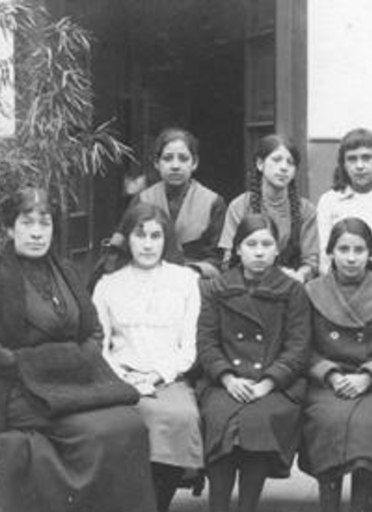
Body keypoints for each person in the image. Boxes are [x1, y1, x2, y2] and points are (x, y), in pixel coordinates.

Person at [0, 186, 154, 512]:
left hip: (76, 388)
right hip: (18, 392)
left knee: (131, 425)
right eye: (27, 223)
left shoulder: (67, 272)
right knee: (96, 434)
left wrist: (74, 363)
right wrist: (45, 365)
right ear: (10, 228)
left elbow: (94, 332)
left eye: (46, 223)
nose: (38, 233)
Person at [92, 202, 205, 512]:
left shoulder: (185, 281)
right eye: (140, 235)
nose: (148, 244)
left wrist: (158, 374)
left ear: (166, 239)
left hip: (167, 379)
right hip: (119, 378)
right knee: (115, 425)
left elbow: (190, 346)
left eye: (156, 236)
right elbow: (98, 344)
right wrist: (123, 375)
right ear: (127, 239)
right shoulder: (108, 285)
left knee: (180, 418)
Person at [197, 213, 310, 512]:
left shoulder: (292, 291)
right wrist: (227, 379)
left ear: (277, 250)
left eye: (266, 244)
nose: (259, 251)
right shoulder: (216, 289)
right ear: (237, 249)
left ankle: (248, 505)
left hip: (274, 386)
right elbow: (206, 343)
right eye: (251, 244)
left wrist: (267, 383)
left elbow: (297, 348)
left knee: (257, 421)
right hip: (225, 383)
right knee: (220, 418)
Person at [299, 217, 372, 512]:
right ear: (330, 252)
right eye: (343, 249)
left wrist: (368, 377)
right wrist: (330, 375)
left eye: (359, 249)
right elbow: (301, 347)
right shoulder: (312, 292)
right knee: (326, 419)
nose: (351, 257)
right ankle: (328, 500)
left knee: (370, 423)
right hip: (326, 383)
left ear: (370, 253)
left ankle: (363, 498)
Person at [220, 134, 319, 282]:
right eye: (276, 160)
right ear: (260, 164)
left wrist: (299, 275)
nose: (284, 167)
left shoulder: (306, 209)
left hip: (290, 285)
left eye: (290, 163)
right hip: (246, 286)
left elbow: (311, 262)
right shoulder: (239, 206)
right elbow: (228, 259)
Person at [133, 127, 227, 278]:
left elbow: (218, 260)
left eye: (183, 158)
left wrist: (189, 272)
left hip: (196, 282)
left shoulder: (213, 203)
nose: (175, 165)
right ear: (157, 163)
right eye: (168, 158)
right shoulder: (143, 200)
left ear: (194, 163)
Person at [316, 128, 372, 277]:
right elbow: (324, 260)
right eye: (352, 159)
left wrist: (364, 280)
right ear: (343, 164)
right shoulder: (329, 201)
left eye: (366, 158)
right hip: (337, 283)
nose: (360, 166)